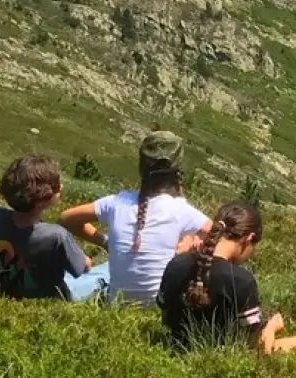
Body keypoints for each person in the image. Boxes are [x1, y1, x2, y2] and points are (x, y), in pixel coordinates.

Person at [157, 199, 296, 358]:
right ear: (249, 238)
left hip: (177, 349)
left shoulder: (176, 264)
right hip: (235, 354)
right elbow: (260, 349)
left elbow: (166, 311)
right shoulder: (240, 280)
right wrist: (272, 326)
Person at [58, 131, 211, 305]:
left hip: (116, 305)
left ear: (141, 168)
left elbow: (66, 218)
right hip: (159, 306)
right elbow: (221, 236)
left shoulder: (116, 203)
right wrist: (189, 246)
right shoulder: (182, 210)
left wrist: (105, 242)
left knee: (104, 270)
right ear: (178, 172)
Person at [0, 155, 90, 300]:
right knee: (101, 276)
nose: (61, 187)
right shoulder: (57, 235)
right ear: (44, 199)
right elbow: (82, 269)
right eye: (57, 186)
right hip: (46, 300)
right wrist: (85, 259)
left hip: (0, 291)